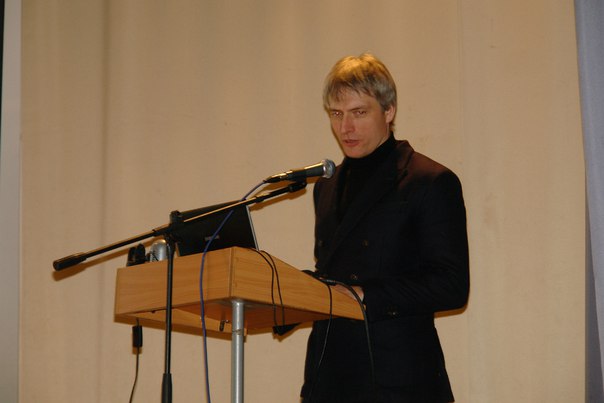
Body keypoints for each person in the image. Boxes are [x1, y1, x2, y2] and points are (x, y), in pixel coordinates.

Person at [300, 53, 470, 403]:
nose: (345, 128)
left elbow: (451, 286)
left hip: (398, 379)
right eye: (336, 114)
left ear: (389, 111)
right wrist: (290, 294)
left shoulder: (429, 181)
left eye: (359, 113)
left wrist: (365, 295)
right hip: (329, 377)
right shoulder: (325, 186)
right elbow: (334, 272)